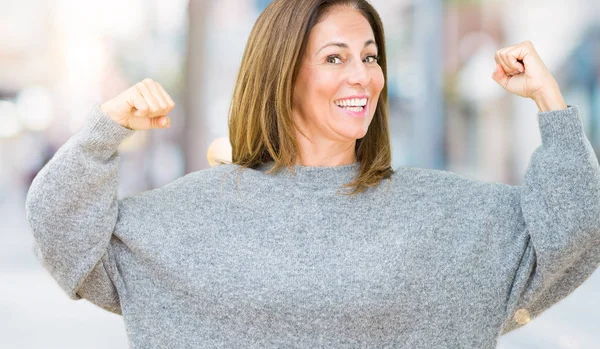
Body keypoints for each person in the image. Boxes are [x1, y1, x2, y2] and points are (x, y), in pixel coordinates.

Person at [25, 0, 600, 348]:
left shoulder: (445, 214)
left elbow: (574, 235)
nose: (364, 76)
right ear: (282, 75)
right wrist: (105, 131)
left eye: (370, 56)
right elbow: (63, 235)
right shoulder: (188, 216)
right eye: (334, 57)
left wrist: (553, 106)